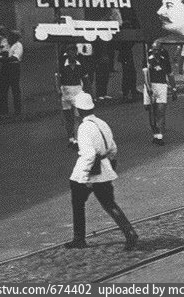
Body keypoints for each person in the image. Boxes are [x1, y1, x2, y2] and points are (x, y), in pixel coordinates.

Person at [65, 92, 138, 250]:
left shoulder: (84, 127)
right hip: (104, 168)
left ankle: (79, 238)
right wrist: (109, 164)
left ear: (79, 110)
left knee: (78, 203)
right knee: (109, 203)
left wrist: (84, 177)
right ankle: (130, 233)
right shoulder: (102, 123)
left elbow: (89, 154)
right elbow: (113, 147)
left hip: (89, 171)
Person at [144, 44, 173, 146]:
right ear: (152, 50)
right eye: (154, 50)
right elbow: (145, 76)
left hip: (162, 86)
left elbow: (169, 74)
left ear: (161, 50)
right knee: (151, 112)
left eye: (158, 50)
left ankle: (160, 136)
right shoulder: (147, 60)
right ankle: (155, 134)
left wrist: (173, 88)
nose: (156, 52)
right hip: (151, 86)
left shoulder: (164, 60)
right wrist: (148, 88)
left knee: (160, 112)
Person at [57, 45, 85, 149]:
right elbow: (57, 79)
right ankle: (71, 138)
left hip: (77, 92)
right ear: (67, 53)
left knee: (77, 117)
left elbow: (85, 79)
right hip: (66, 94)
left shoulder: (80, 65)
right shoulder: (61, 65)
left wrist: (89, 93)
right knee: (68, 118)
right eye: (70, 52)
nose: (72, 54)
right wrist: (58, 89)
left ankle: (77, 139)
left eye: (74, 52)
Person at [0, 30, 22, 116]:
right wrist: (0, 55)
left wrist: (2, 59)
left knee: (15, 89)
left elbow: (15, 57)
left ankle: (17, 111)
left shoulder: (18, 45)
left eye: (11, 36)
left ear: (15, 38)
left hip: (13, 67)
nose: (9, 38)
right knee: (2, 89)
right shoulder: (6, 44)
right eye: (9, 36)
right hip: (5, 67)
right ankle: (3, 111)